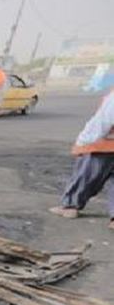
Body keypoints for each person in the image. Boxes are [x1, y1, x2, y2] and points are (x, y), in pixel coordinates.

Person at [48, 89, 114, 231]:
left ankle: (70, 207)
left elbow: (105, 120)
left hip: (103, 146)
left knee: (85, 177)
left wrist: (84, 140)